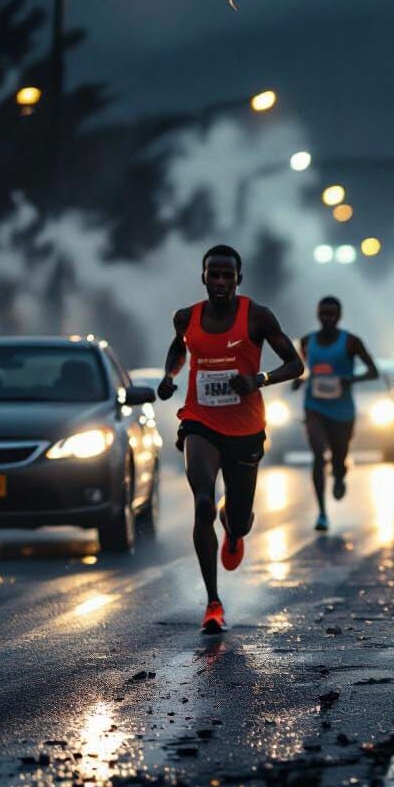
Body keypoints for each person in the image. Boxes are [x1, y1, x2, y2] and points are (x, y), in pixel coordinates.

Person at [158, 245, 303, 633]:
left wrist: (259, 380)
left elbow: (295, 364)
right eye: (214, 274)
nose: (220, 282)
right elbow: (179, 347)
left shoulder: (257, 316)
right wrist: (170, 377)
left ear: (239, 278)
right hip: (199, 422)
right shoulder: (186, 317)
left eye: (228, 275)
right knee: (202, 501)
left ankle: (233, 528)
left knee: (239, 521)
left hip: (245, 429)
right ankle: (213, 603)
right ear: (203, 276)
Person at [291, 296, 379, 532]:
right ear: (318, 315)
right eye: (323, 314)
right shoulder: (307, 342)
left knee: (339, 458)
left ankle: (339, 475)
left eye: (332, 314)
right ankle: (321, 513)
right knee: (318, 456)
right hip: (315, 407)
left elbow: (373, 371)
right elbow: (301, 369)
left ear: (338, 317)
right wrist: (299, 382)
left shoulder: (351, 342)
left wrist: (350, 378)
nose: (327, 319)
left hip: (342, 411)